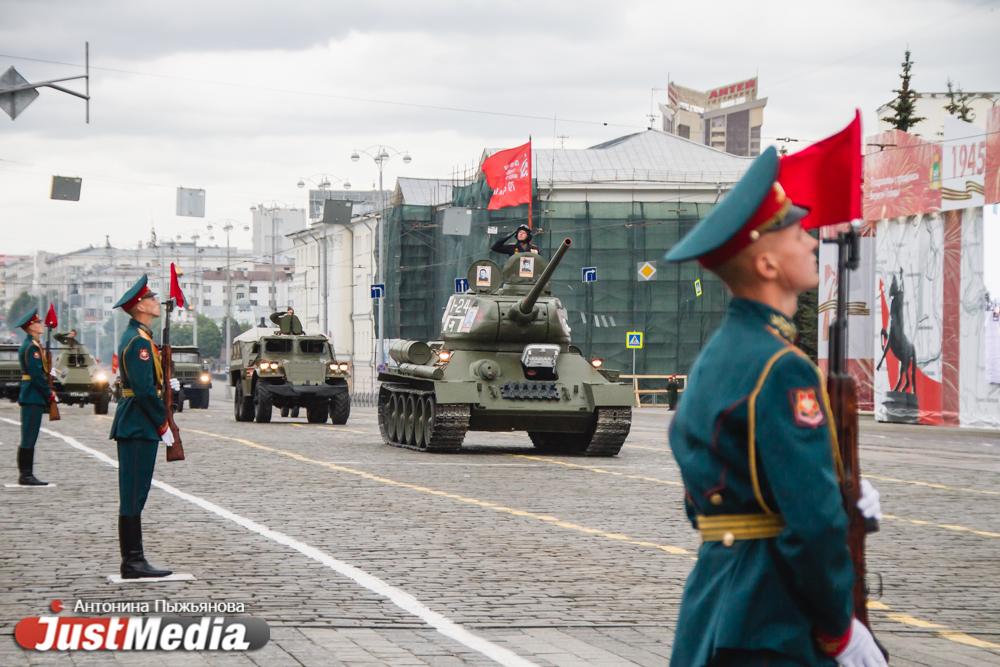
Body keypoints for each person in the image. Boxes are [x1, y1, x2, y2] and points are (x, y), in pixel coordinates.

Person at [663, 146, 885, 666]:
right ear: (766, 263)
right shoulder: (781, 367)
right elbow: (811, 526)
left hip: (717, 605)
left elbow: (726, 485)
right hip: (773, 619)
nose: (811, 241)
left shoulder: (719, 357)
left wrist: (839, 488)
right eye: (796, 234)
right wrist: (838, 631)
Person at [108, 275, 180, 579]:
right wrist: (163, 423)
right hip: (138, 425)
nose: (155, 302)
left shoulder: (141, 337)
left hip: (137, 423)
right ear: (140, 306)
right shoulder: (138, 341)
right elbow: (143, 389)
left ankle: (134, 559)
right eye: (151, 298)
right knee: (134, 493)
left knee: (136, 492)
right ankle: (133, 561)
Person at [13, 309, 56, 486]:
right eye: (37, 323)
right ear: (31, 327)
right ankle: (26, 474)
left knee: (30, 435)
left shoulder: (33, 345)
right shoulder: (32, 348)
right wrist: (49, 394)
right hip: (32, 396)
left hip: (32, 396)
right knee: (29, 436)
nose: (41, 325)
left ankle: (26, 473)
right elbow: (37, 375)